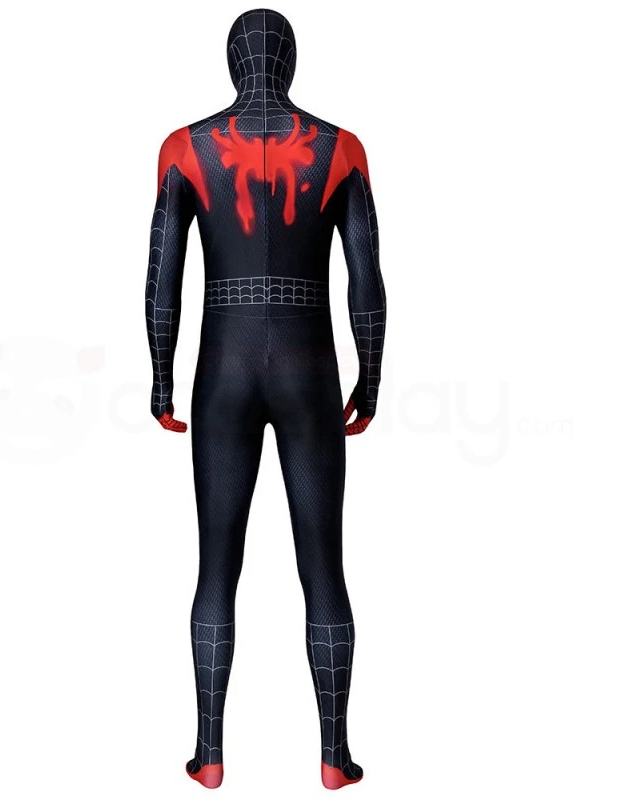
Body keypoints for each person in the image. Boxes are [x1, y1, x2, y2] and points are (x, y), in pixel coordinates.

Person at [145, 8, 387, 790]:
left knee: (216, 566)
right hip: (310, 363)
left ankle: (209, 754)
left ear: (234, 61)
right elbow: (366, 282)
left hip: (223, 364)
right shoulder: (340, 147)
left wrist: (161, 379)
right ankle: (334, 756)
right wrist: (371, 377)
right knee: (324, 566)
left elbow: (161, 280)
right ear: (289, 61)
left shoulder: (184, 147)